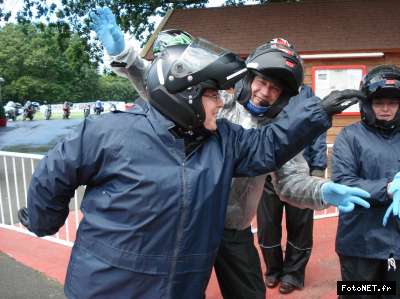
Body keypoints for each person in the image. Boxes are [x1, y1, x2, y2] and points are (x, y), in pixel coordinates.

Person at [90, 8, 371, 298]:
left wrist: (324, 189)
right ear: (249, 79)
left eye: (274, 88)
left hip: (234, 230)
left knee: (250, 293)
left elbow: (290, 183)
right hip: (189, 223)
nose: (265, 92)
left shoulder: (278, 134)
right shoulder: (216, 100)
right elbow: (165, 88)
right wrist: (125, 55)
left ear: (283, 96)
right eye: (261, 81)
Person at [332, 65, 400, 299]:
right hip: (359, 243)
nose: (385, 108)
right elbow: (343, 182)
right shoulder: (349, 136)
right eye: (379, 102)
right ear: (368, 104)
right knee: (357, 295)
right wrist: (388, 188)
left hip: (397, 244)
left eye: (392, 103)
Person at [257, 82, 327, 295]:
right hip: (266, 172)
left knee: (300, 227)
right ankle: (273, 269)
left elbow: (317, 131)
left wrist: (317, 166)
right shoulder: (263, 91)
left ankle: (293, 274)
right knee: (267, 226)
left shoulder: (306, 94)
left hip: (300, 174)